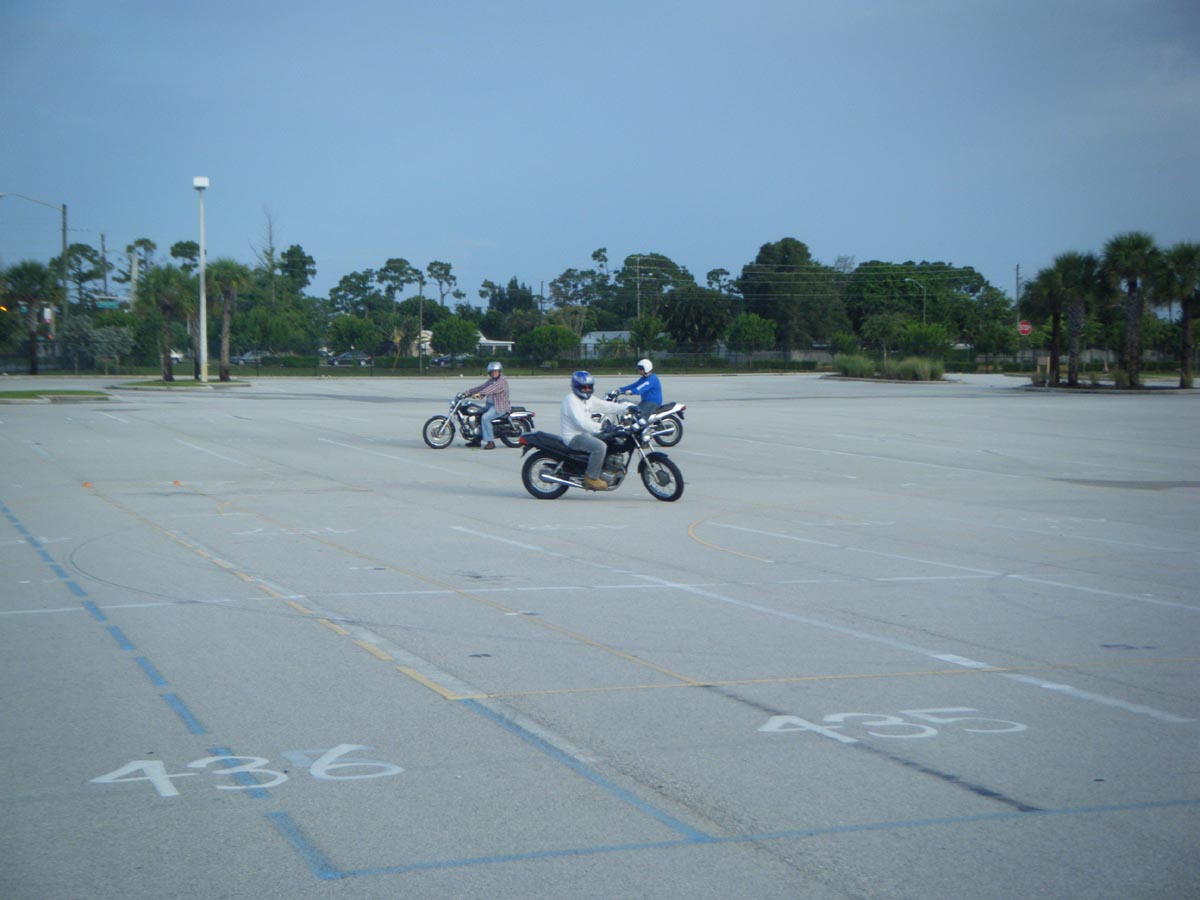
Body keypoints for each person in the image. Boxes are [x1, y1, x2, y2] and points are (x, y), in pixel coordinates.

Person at [560, 370, 628, 490]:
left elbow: (605, 405)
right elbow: (581, 422)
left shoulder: (588, 400)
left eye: (589, 387)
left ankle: (603, 468)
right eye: (583, 387)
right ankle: (591, 478)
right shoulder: (571, 400)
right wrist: (602, 427)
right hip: (573, 437)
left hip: (586, 434)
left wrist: (626, 409)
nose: (586, 390)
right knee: (600, 447)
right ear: (576, 386)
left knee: (610, 440)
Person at [464, 361, 510, 449]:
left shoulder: (501, 381)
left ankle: (491, 442)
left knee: (485, 418)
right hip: (490, 405)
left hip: (499, 407)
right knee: (478, 415)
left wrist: (479, 394)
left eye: (496, 371)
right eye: (492, 372)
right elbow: (482, 387)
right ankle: (477, 440)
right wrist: (467, 392)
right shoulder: (491, 380)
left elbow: (490, 389)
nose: (494, 373)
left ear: (499, 371)